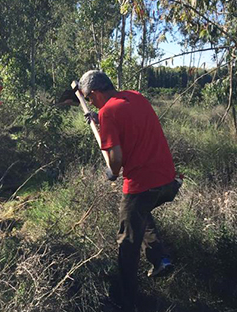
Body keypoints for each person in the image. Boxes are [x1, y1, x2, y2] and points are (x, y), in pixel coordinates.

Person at [77, 70, 181, 312]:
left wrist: (110, 171)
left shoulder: (108, 111)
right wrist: (99, 120)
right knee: (141, 213)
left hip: (142, 184)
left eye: (90, 99)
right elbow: (126, 120)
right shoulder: (135, 97)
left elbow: (115, 163)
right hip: (167, 181)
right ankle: (160, 259)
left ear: (95, 93)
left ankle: (126, 299)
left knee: (127, 241)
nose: (91, 103)